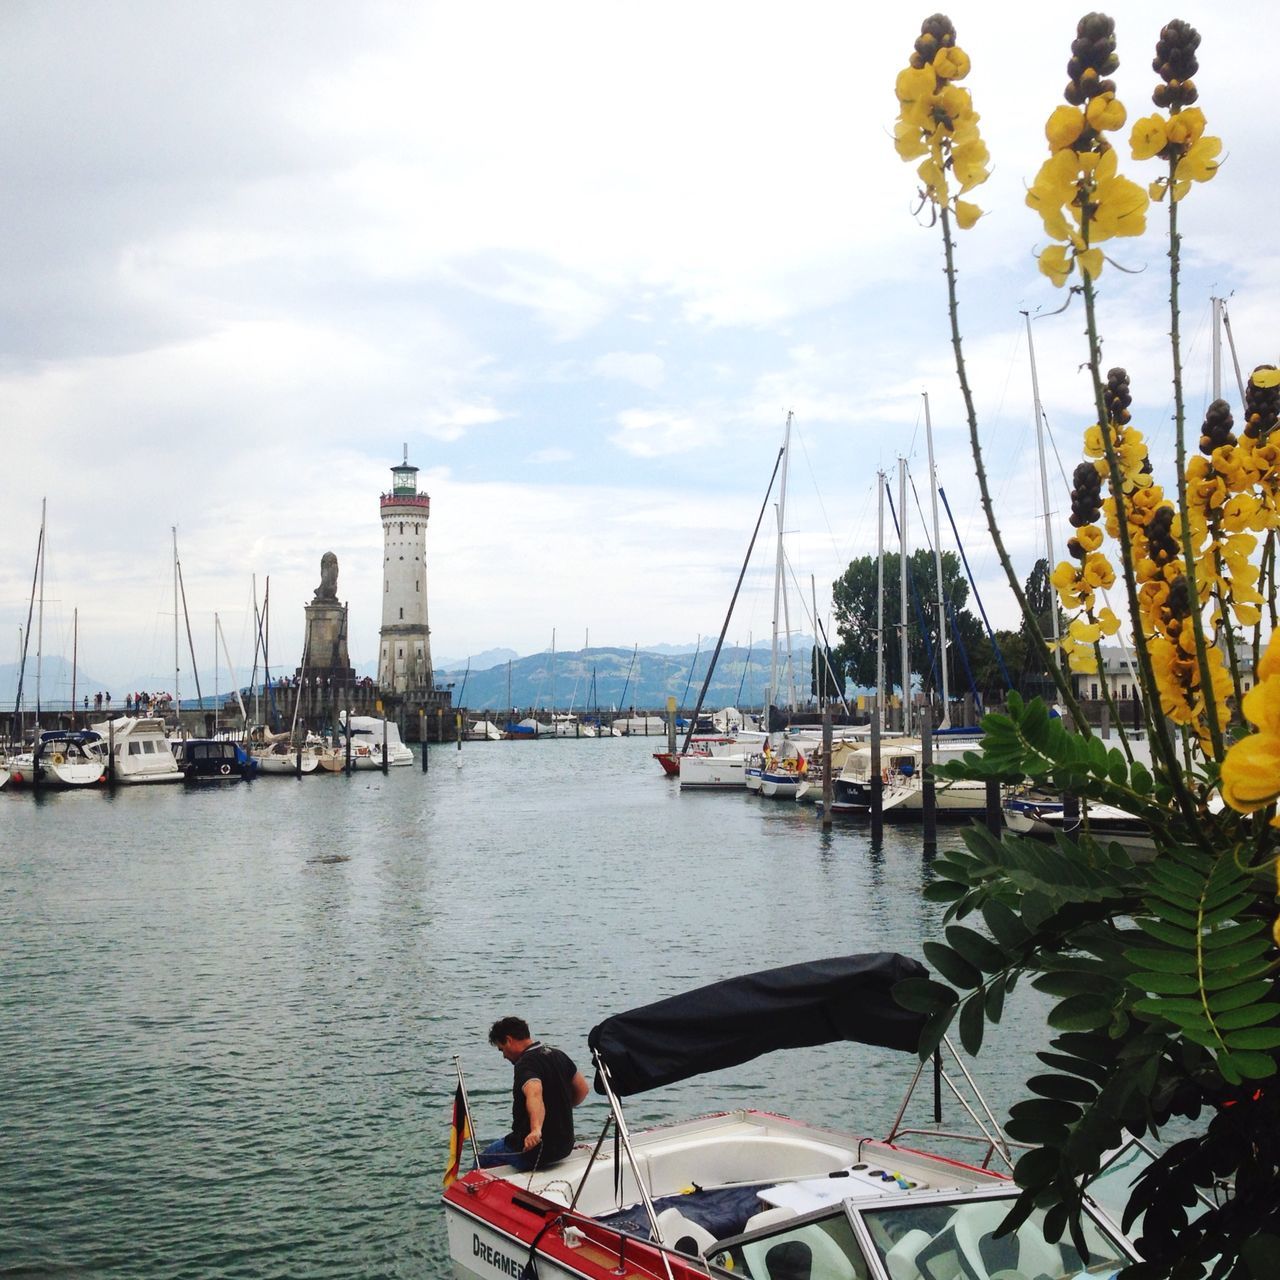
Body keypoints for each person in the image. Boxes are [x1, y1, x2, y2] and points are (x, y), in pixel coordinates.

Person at [478, 1017, 588, 1173]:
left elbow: (534, 1092)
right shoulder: (558, 1055)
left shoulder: (525, 1064)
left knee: (481, 1161)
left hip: (533, 1153)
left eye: (501, 1049)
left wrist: (536, 1130)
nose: (504, 1056)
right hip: (564, 1147)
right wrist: (560, 1107)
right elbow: (583, 1089)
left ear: (509, 1040)